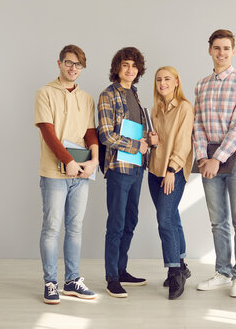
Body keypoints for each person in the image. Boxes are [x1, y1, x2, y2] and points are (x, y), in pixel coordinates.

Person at [193, 29, 236, 298]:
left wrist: (217, 159)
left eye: (226, 48)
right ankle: (223, 271)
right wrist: (203, 158)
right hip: (208, 163)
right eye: (217, 48)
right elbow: (196, 125)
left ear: (233, 51)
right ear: (209, 50)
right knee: (218, 221)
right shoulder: (201, 85)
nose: (221, 53)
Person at [34, 44, 98, 304]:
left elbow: (90, 133)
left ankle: (72, 280)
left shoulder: (86, 98)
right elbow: (48, 131)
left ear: (82, 69)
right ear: (59, 63)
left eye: (78, 65)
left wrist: (94, 159)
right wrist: (67, 161)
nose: (73, 68)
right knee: (51, 228)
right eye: (69, 63)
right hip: (54, 173)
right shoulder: (45, 93)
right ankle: (50, 283)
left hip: (81, 173)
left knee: (75, 227)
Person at [98, 47, 149, 298]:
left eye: (134, 66)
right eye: (125, 65)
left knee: (131, 220)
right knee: (116, 223)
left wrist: (149, 139)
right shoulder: (108, 95)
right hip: (119, 168)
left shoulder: (135, 94)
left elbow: (137, 131)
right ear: (117, 67)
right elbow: (106, 134)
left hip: (137, 166)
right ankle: (111, 278)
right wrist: (134, 145)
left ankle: (122, 269)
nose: (130, 70)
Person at [147, 66, 194, 300]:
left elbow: (185, 142)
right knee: (172, 217)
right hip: (154, 171)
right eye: (158, 80)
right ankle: (182, 264)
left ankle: (174, 271)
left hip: (172, 172)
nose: (162, 83)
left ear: (176, 81)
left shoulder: (185, 108)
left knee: (164, 220)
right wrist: (152, 141)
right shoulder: (156, 111)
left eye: (167, 79)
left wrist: (172, 169)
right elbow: (158, 144)